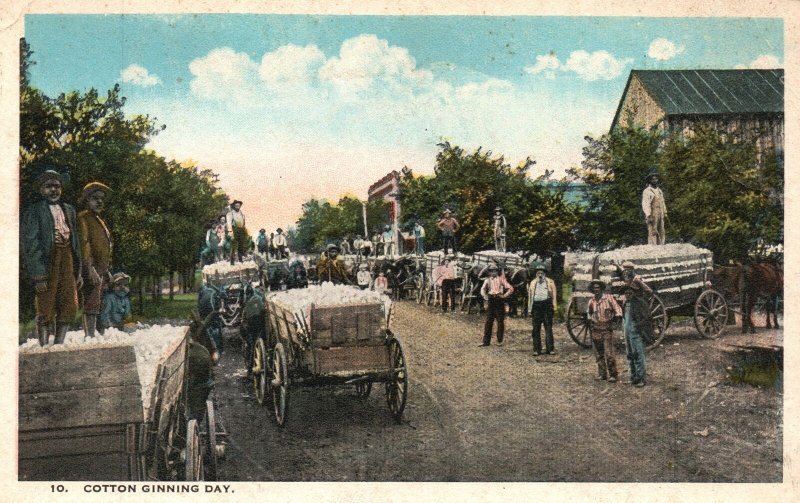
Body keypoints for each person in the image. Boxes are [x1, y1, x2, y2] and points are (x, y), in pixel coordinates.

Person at [22, 169, 82, 346]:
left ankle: (59, 345)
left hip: (67, 259)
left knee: (69, 301)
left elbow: (75, 242)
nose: (54, 190)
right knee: (46, 302)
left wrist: (77, 271)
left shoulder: (69, 210)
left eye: (57, 186)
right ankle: (43, 346)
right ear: (41, 189)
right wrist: (39, 275)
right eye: (49, 186)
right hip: (48, 261)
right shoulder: (35, 211)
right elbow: (31, 244)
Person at [78, 182, 113, 338]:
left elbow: (105, 246)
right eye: (94, 198)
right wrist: (89, 267)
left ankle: (99, 335)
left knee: (100, 302)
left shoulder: (99, 220)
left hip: (101, 268)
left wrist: (106, 270)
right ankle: (89, 336)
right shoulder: (83, 218)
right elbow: (84, 243)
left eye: (101, 199)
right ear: (87, 200)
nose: (99, 202)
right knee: (91, 302)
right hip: (90, 268)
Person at [620, 261, 653, 387]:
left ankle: (641, 378)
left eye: (630, 293)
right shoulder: (625, 303)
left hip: (635, 330)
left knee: (638, 353)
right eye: (626, 293)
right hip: (627, 330)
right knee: (630, 353)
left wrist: (639, 327)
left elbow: (647, 317)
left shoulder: (638, 301)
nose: (628, 294)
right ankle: (633, 376)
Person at [586, 279, 623, 382]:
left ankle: (613, 374)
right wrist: (590, 319)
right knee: (598, 353)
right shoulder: (591, 301)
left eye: (598, 288)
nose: (596, 290)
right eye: (594, 288)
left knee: (609, 353)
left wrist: (617, 319)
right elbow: (588, 313)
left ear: (601, 289)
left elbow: (618, 309)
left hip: (607, 328)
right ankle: (602, 374)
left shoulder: (608, 298)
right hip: (596, 329)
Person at [527, 261, 558, 356]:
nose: (540, 275)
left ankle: (550, 349)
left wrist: (554, 307)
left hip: (547, 305)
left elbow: (554, 295)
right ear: (536, 274)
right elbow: (530, 297)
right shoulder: (533, 283)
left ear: (545, 273)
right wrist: (529, 309)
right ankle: (537, 349)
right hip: (536, 306)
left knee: (548, 327)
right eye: (538, 273)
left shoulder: (550, 282)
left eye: (542, 273)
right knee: (536, 328)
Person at [479, 264, 514, 346]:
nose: (493, 273)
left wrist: (504, 296)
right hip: (491, 300)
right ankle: (486, 341)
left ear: (497, 272)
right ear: (489, 272)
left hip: (499, 300)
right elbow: (482, 289)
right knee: (488, 322)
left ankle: (499, 341)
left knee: (500, 321)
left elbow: (511, 288)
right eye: (491, 271)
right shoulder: (487, 280)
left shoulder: (501, 279)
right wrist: (485, 297)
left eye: (494, 271)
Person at [642, 169, 667, 245]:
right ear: (650, 181)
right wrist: (648, 215)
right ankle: (653, 247)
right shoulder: (647, 191)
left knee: (661, 229)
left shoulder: (659, 190)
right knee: (653, 230)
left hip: (660, 212)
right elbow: (645, 204)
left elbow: (662, 202)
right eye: (653, 179)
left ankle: (662, 245)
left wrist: (665, 212)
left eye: (656, 179)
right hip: (652, 213)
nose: (655, 180)